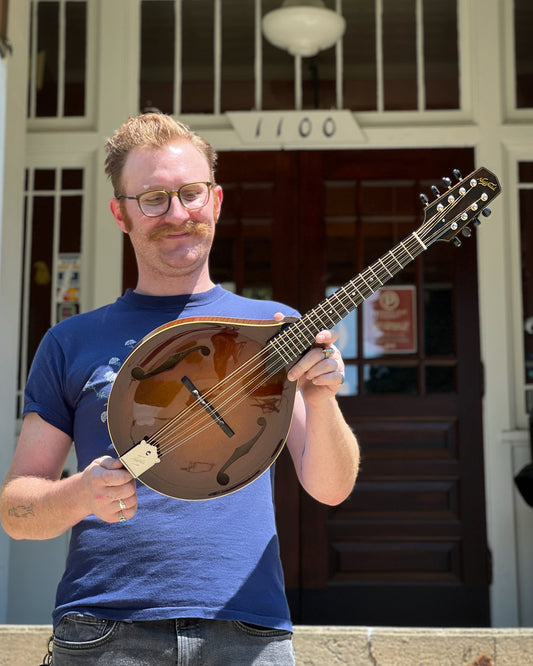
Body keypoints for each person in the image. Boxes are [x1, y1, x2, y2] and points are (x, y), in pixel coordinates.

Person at [0, 113, 359, 665]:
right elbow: (16, 511)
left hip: (248, 629)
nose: (176, 213)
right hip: (103, 631)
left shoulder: (276, 328)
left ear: (215, 202)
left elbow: (330, 489)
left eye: (190, 194)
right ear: (121, 213)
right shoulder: (70, 342)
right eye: (153, 199)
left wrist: (321, 397)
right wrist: (79, 495)